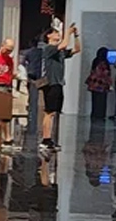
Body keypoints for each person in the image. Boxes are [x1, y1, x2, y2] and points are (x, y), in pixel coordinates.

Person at [40, 24, 81, 152]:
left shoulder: (60, 51)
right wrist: (67, 33)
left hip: (58, 83)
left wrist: (76, 35)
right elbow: (63, 45)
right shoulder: (48, 48)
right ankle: (45, 139)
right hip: (51, 83)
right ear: (49, 36)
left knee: (53, 112)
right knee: (49, 112)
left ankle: (48, 139)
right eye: (56, 33)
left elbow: (76, 49)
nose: (58, 35)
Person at [85, 47, 112, 121]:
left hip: (94, 85)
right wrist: (109, 84)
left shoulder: (95, 61)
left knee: (95, 101)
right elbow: (105, 75)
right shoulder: (104, 63)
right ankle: (100, 116)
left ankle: (94, 115)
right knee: (101, 102)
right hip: (101, 85)